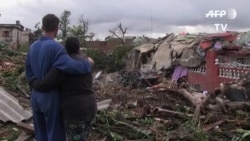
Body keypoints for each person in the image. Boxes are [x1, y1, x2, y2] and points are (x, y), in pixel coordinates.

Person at [25, 14, 92, 141]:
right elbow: (72, 67)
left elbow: (28, 71)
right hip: (50, 97)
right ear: (57, 29)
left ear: (43, 26)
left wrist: (34, 84)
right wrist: (87, 64)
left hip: (35, 97)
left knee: (40, 133)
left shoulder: (32, 47)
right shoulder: (57, 48)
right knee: (54, 133)